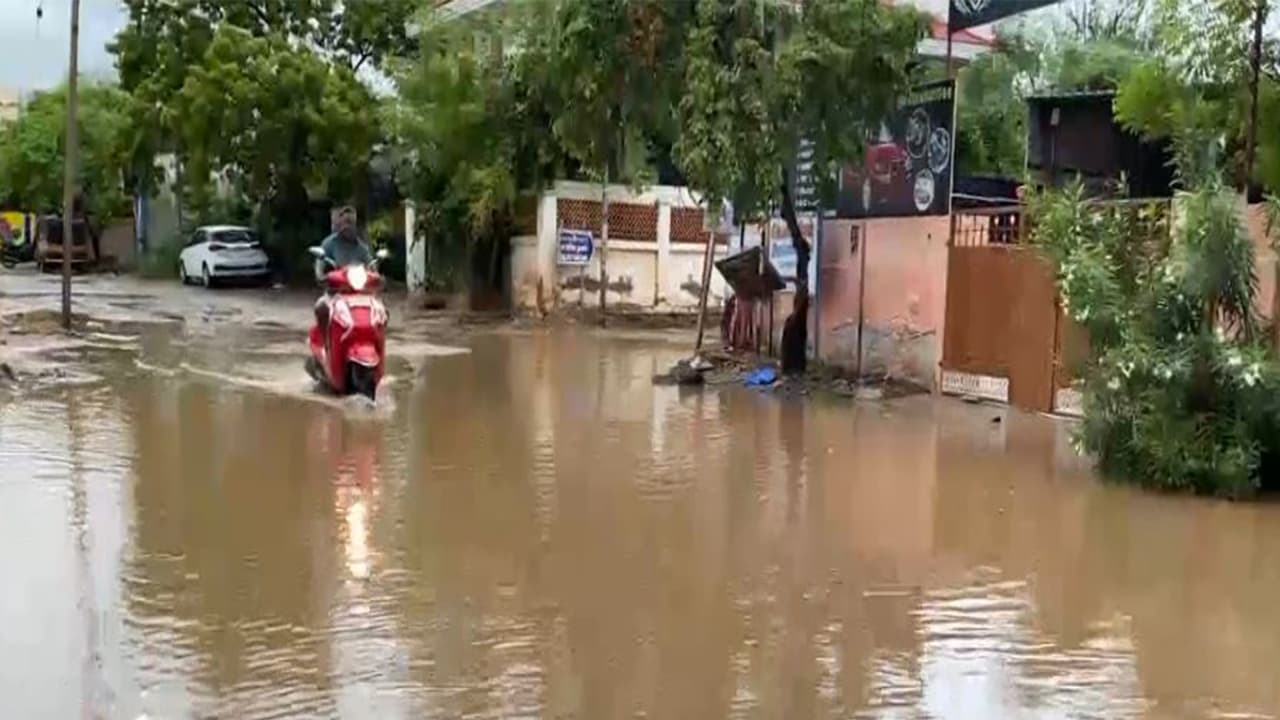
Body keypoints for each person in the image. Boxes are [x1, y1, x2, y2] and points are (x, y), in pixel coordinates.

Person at [315, 206, 372, 330]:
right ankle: (327, 342)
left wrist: (375, 277)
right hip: (335, 292)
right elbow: (320, 264)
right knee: (321, 307)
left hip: (358, 293)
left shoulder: (362, 248)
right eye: (345, 222)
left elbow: (371, 267)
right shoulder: (329, 244)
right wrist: (322, 276)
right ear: (339, 223)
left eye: (350, 223)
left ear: (355, 225)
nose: (347, 226)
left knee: (380, 311)